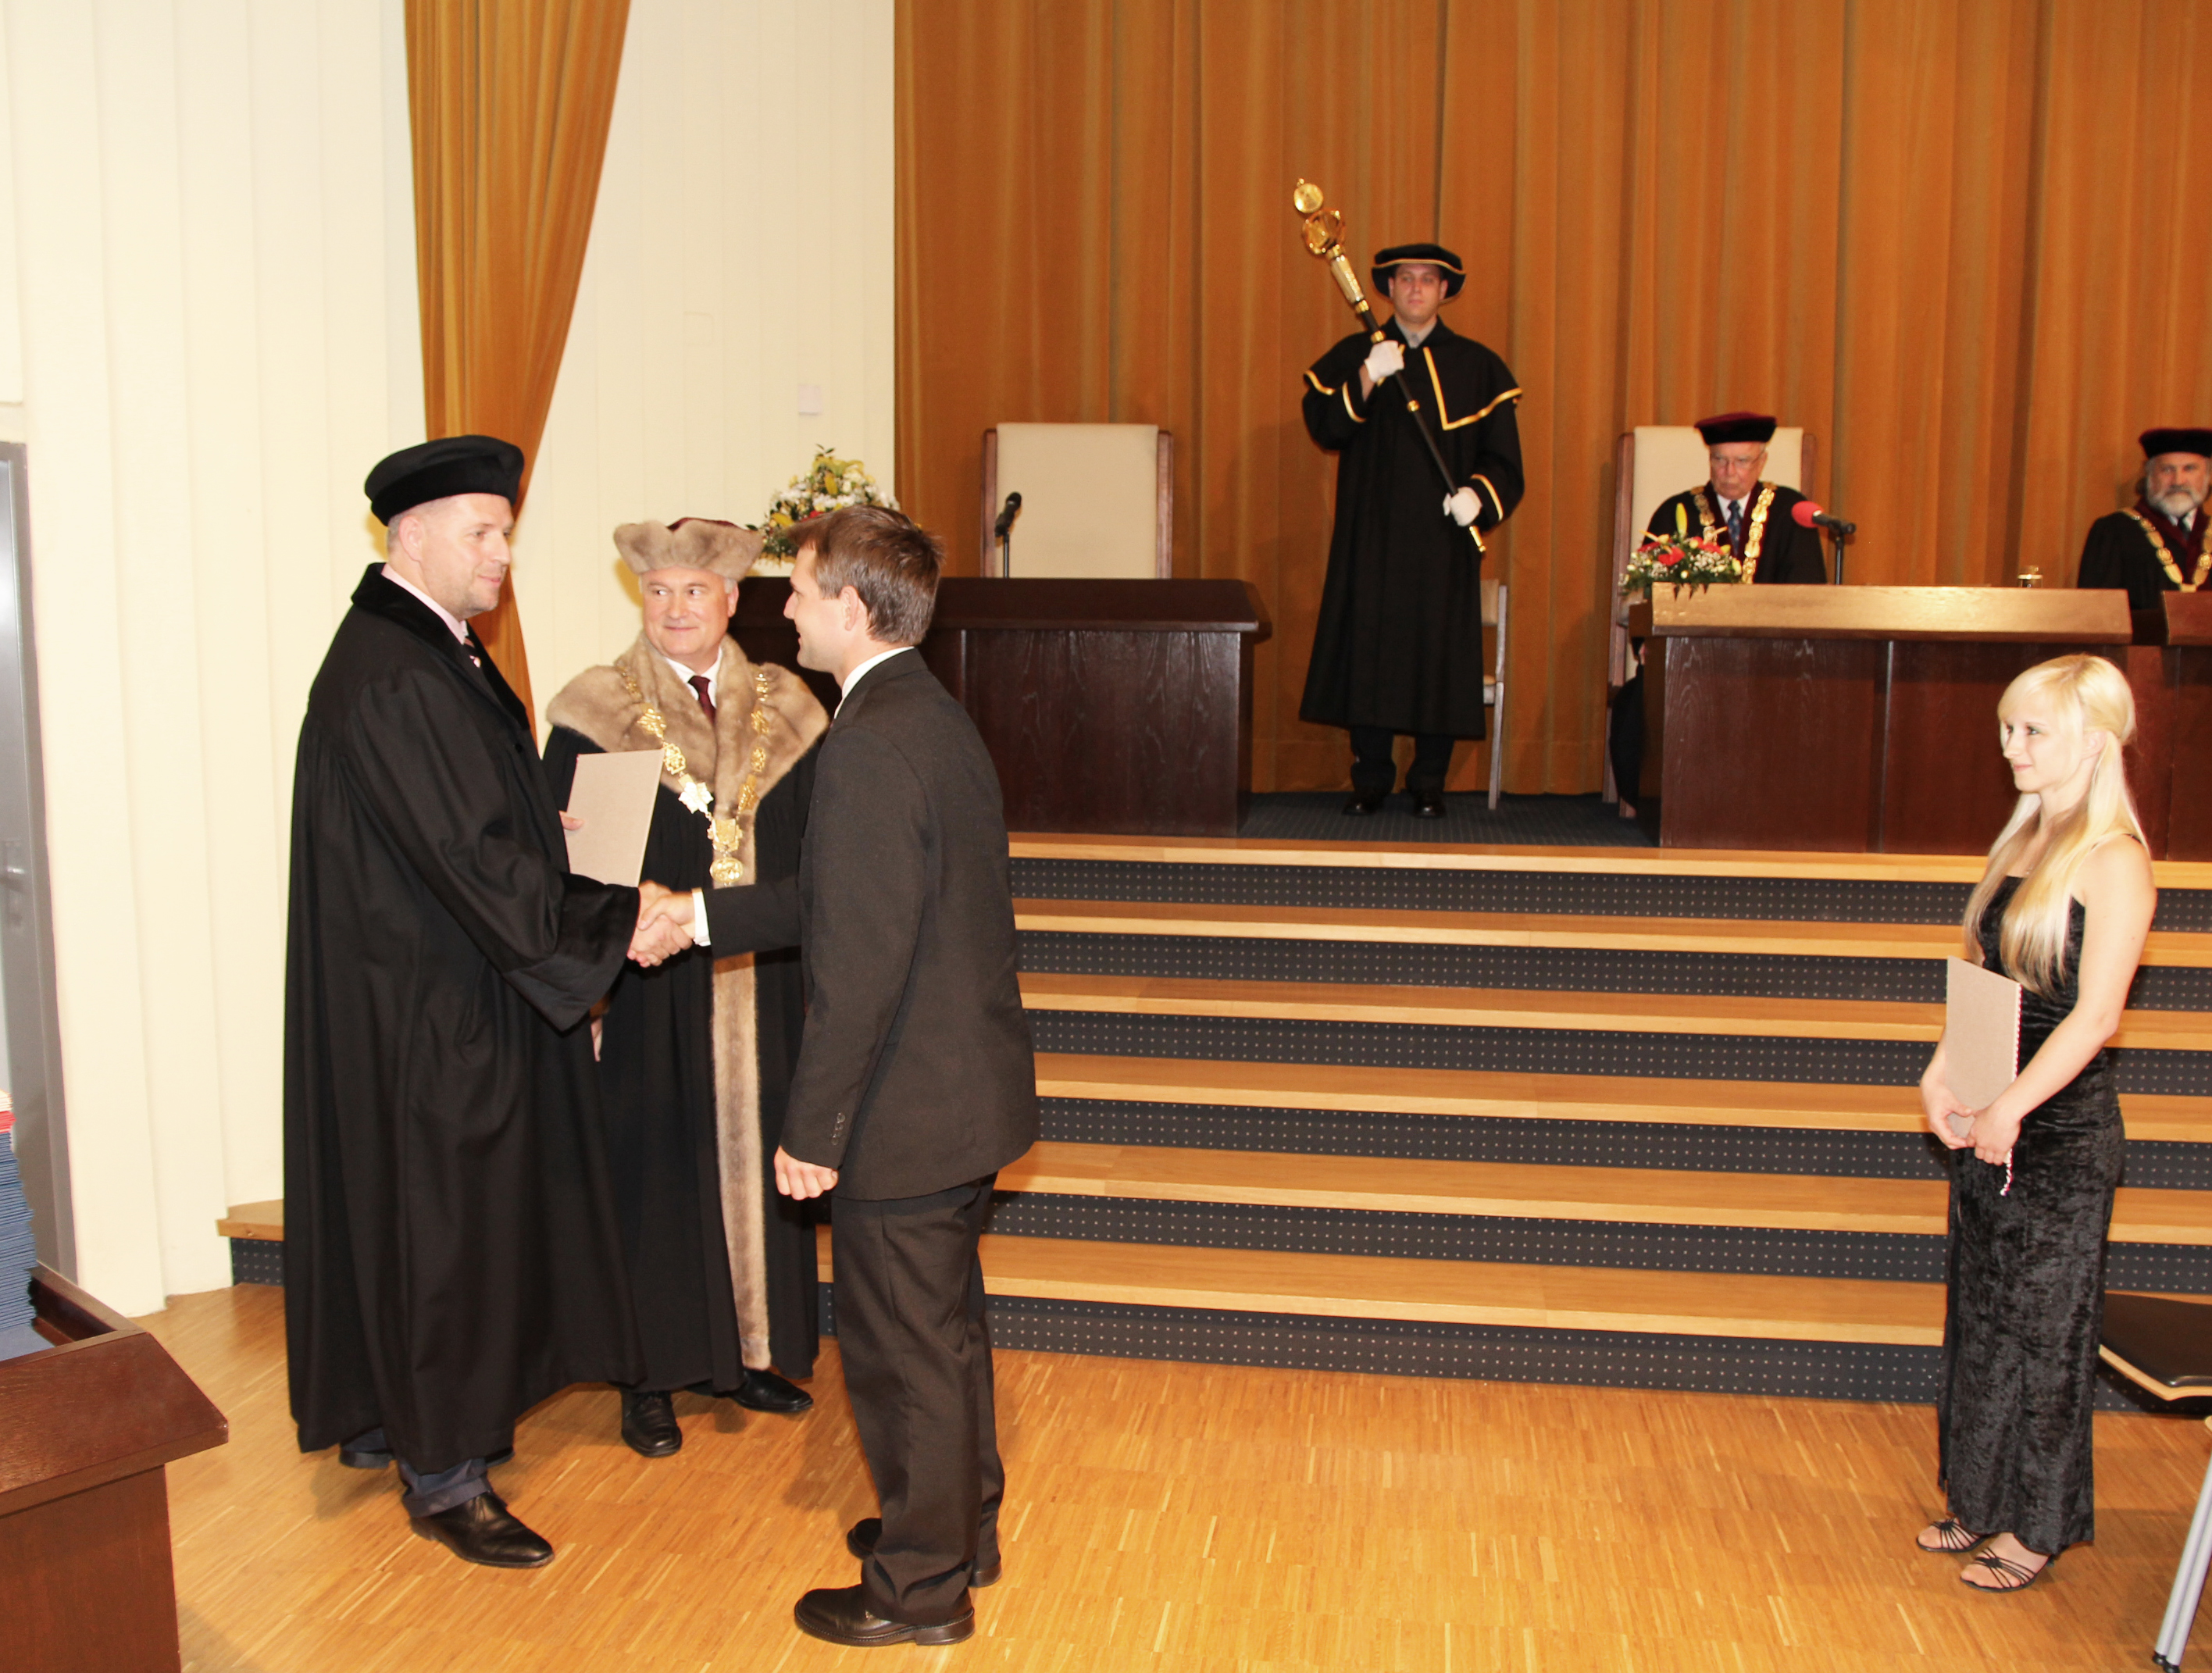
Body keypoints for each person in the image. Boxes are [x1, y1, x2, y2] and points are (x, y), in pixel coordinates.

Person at [284, 435, 685, 1569]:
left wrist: (538, 828)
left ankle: (388, 1413)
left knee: (412, 1217)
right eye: (483, 532)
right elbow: (466, 856)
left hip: (434, 985)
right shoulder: (396, 670)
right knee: (442, 1231)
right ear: (411, 536)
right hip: (427, 1009)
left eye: (505, 531)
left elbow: (460, 817)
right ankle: (446, 1476)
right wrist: (616, 920)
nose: (502, 552)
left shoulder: (426, 645)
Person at [641, 505, 1038, 1647]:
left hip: (905, 1112)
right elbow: (844, 895)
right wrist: (698, 914)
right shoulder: (928, 713)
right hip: (962, 1093)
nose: (787, 609)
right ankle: (957, 1528)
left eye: (803, 591)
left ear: (852, 608)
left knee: (902, 1356)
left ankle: (920, 1588)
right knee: (943, 1336)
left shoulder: (867, 741)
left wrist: (812, 1130)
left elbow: (860, 966)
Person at [543, 517, 829, 1457]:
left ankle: (752, 1352)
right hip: (650, 990)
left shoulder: (793, 708)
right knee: (653, 1176)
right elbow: (578, 869)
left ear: (731, 600)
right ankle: (649, 1375)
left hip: (765, 979)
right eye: (658, 591)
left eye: (694, 591)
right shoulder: (601, 713)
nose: (674, 609)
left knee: (762, 1164)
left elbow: (821, 857)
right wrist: (595, 983)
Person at [1914, 654, 2157, 1592]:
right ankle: (1979, 1499)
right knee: (1980, 1320)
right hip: (1995, 1112)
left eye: (2031, 731)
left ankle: (2038, 1527)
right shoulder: (2022, 840)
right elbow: (1985, 981)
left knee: (2046, 1336)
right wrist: (1944, 1073)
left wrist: (2014, 1106)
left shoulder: (2115, 860)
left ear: (2093, 742)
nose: (2011, 747)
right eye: (2007, 729)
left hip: (2058, 1136)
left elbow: (2096, 1019)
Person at [1300, 242, 1524, 819]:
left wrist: (1479, 496)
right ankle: (1370, 778)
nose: (1417, 288)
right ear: (1389, 289)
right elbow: (1327, 427)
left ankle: (1429, 781)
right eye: (1406, 279)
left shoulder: (1478, 366)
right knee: (1368, 651)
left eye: (1428, 279)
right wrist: (1368, 377)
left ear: (1444, 291)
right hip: (1370, 537)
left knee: (1437, 657)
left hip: (1441, 544)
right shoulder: (1357, 354)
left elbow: (1505, 462)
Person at [1643, 412, 1826, 584]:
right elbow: (1651, 590)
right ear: (1710, 460)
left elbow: (1808, 590)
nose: (1730, 472)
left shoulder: (1791, 511)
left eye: (1742, 461)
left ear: (1762, 462)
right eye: (1720, 459)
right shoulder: (1673, 512)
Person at [2076, 427, 2212, 611]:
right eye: (2167, 469)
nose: (2178, 481)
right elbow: (2096, 613)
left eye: (2189, 469)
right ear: (2149, 474)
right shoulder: (2114, 531)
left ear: (2207, 475)